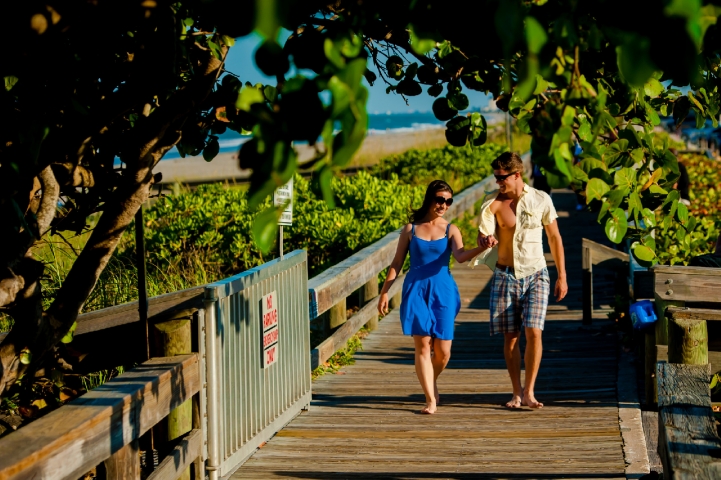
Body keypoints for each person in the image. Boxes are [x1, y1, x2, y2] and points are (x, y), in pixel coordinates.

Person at [378, 180, 494, 414]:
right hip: (416, 289)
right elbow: (397, 262)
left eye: (448, 201)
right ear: (430, 198)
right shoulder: (410, 229)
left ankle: (431, 378)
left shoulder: (451, 229)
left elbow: (460, 256)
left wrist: (483, 248)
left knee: (443, 351)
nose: (443, 205)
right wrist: (385, 291)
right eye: (440, 199)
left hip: (443, 290)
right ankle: (430, 399)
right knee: (422, 346)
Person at [472, 152, 568, 409]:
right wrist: (485, 240)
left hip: (537, 274)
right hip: (505, 275)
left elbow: (555, 238)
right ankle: (516, 392)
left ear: (517, 175)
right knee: (511, 338)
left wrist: (563, 276)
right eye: (495, 177)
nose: (497, 182)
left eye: (502, 177)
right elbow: (484, 232)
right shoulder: (491, 204)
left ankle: (530, 392)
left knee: (534, 332)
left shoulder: (541, 199)